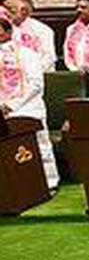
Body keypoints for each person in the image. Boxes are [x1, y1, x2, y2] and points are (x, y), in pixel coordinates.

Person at [0, 18, 58, 190]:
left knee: (40, 145)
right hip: (2, 108)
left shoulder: (27, 54)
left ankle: (50, 182)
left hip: (28, 106)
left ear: (8, 32)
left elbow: (36, 84)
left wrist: (12, 105)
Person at [3, 0, 55, 72]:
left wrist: (33, 71)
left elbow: (49, 56)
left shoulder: (41, 29)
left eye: (10, 14)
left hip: (39, 72)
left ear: (23, 12)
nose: (7, 18)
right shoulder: (7, 29)